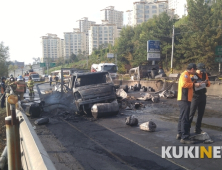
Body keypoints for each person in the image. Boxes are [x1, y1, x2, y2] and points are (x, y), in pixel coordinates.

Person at [177, 63, 202, 144]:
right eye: (195, 70)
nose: (195, 71)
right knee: (185, 118)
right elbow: (184, 84)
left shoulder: (188, 75)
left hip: (185, 99)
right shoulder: (185, 75)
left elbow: (190, 82)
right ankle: (184, 137)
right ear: (192, 69)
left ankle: (180, 133)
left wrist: (195, 81)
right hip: (184, 98)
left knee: (182, 117)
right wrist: (194, 84)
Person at [189, 63, 210, 134]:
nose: (201, 72)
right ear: (197, 69)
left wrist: (206, 82)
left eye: (202, 70)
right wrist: (195, 84)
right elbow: (190, 84)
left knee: (200, 113)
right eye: (200, 70)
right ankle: (187, 129)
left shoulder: (205, 74)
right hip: (195, 96)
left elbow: (208, 84)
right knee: (191, 113)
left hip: (202, 95)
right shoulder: (193, 75)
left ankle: (198, 129)